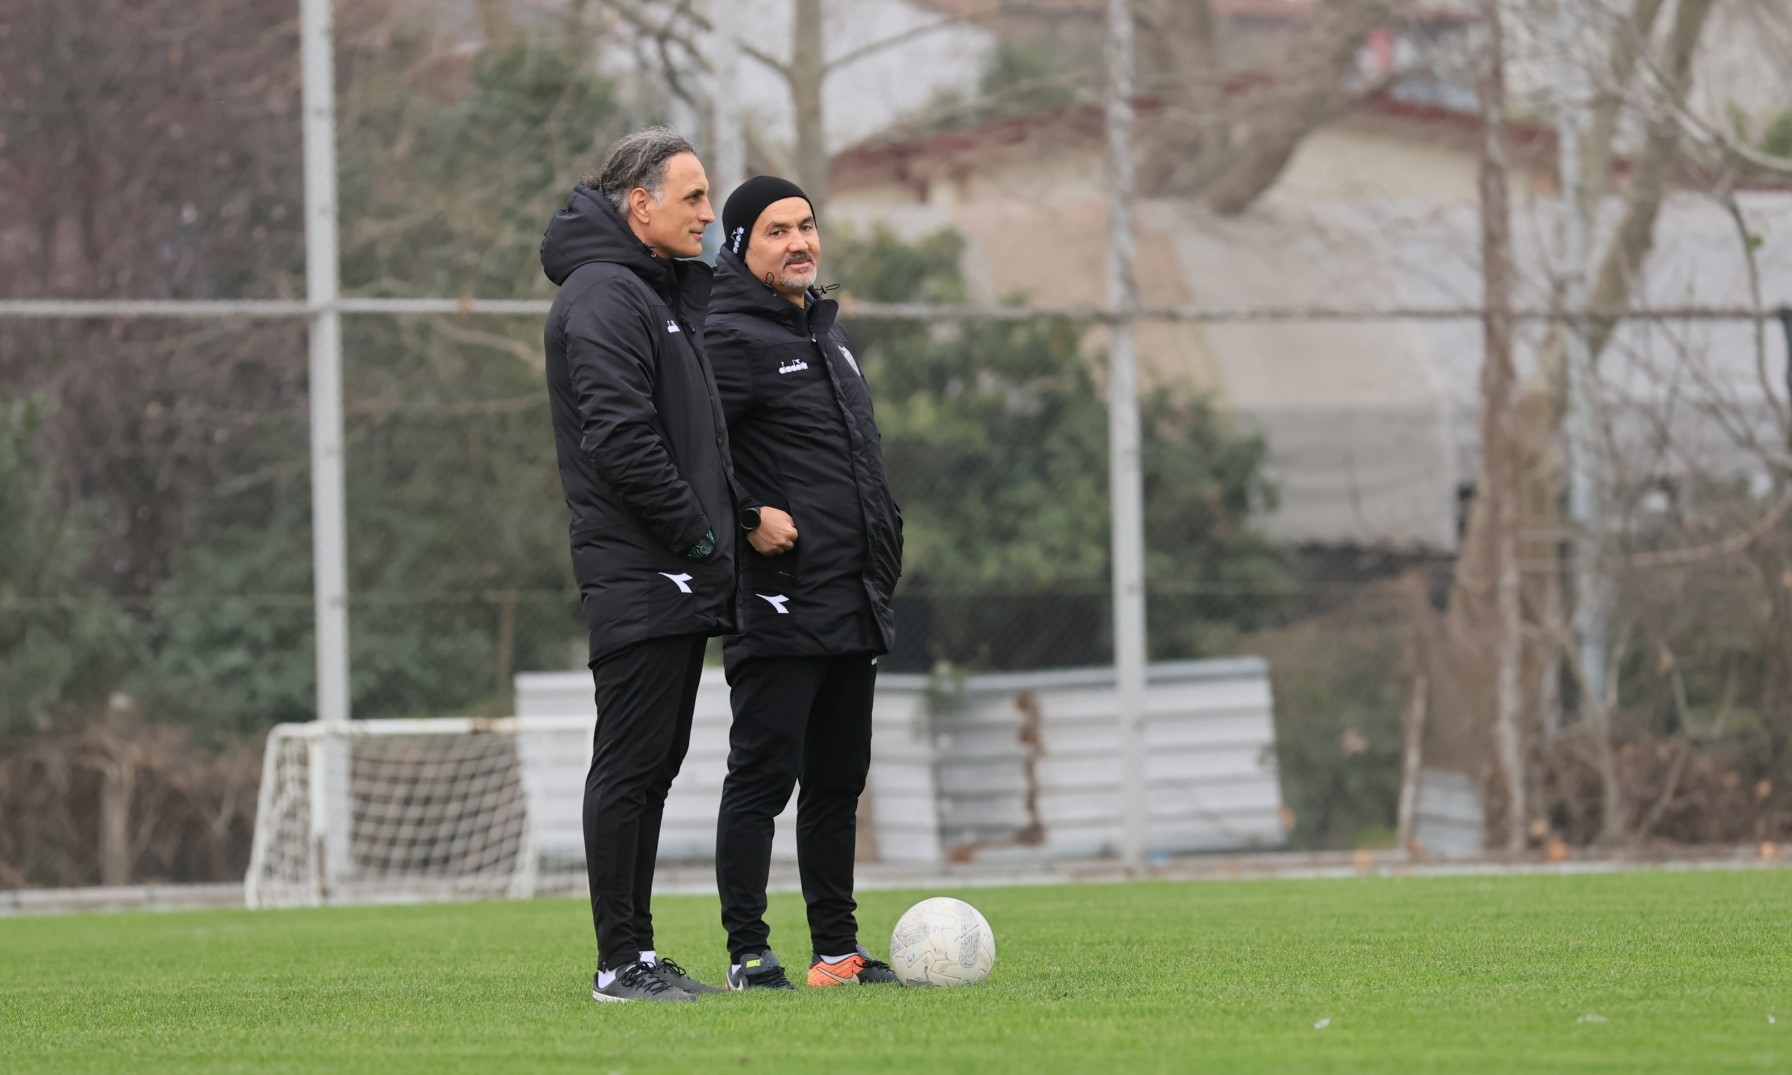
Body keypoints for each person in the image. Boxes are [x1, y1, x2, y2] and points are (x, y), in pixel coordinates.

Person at [540, 127, 735, 1003]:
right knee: (628, 765)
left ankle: (639, 953)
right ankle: (619, 963)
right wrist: (695, 536)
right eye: (693, 198)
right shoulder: (604, 295)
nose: (708, 214)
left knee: (652, 766)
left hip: (674, 568)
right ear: (640, 205)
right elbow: (620, 438)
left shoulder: (653, 292)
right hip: (644, 567)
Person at [705, 177, 904, 990]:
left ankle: (838, 953)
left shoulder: (826, 329)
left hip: (850, 595)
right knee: (761, 778)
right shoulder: (727, 335)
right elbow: (686, 450)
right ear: (743, 244)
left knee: (836, 782)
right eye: (778, 230)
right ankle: (749, 951)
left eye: (807, 226)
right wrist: (749, 513)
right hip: (780, 598)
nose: (799, 242)